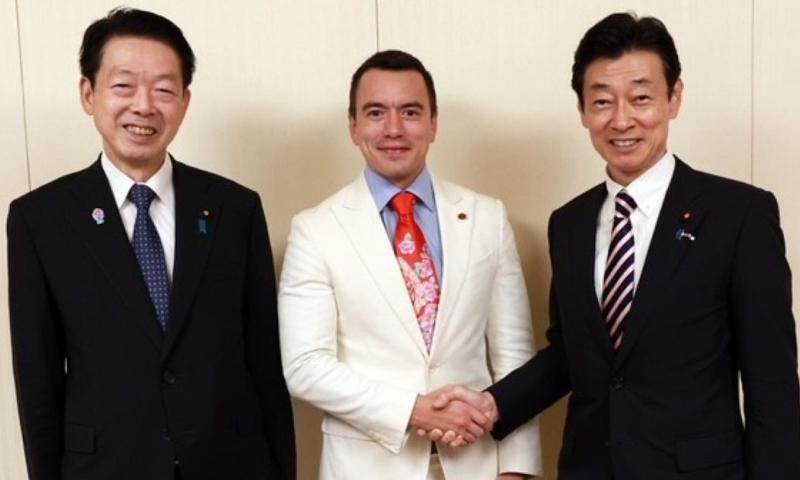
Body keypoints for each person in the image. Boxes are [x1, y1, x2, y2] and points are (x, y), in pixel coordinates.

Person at [429, 12, 800, 480]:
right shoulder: (570, 224)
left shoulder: (739, 214)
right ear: (583, 111)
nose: (621, 120)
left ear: (674, 98)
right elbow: (572, 354)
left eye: (641, 98)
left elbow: (772, 381)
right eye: (602, 101)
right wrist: (492, 405)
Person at [8, 8, 295, 480]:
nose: (143, 106)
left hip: (230, 464)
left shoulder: (234, 209)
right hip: (105, 467)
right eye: (123, 86)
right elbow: (37, 381)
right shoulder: (40, 218)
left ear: (184, 101)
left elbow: (265, 364)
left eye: (163, 89)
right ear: (88, 93)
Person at [278, 49, 541, 479]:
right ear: (353, 126)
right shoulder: (315, 229)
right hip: (367, 468)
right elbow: (305, 366)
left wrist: (518, 467)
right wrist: (414, 410)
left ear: (434, 123)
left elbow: (515, 356)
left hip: (478, 465)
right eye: (375, 112)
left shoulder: (487, 217)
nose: (394, 129)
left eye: (411, 112)